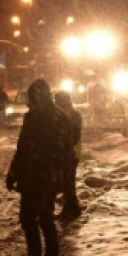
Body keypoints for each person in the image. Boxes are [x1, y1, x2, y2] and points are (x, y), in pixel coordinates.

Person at [6, 79, 72, 256]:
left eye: (34, 97)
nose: (31, 101)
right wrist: (14, 172)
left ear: (42, 95)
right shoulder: (40, 118)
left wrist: (57, 174)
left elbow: (64, 152)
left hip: (43, 178)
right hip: (33, 178)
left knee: (43, 219)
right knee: (30, 220)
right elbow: (23, 148)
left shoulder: (56, 119)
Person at [54, 90, 83, 219]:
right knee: (68, 181)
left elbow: (74, 136)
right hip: (70, 152)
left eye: (58, 101)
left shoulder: (71, 115)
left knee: (68, 181)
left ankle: (72, 209)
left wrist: (66, 146)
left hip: (70, 153)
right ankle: (70, 207)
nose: (56, 103)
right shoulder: (71, 114)